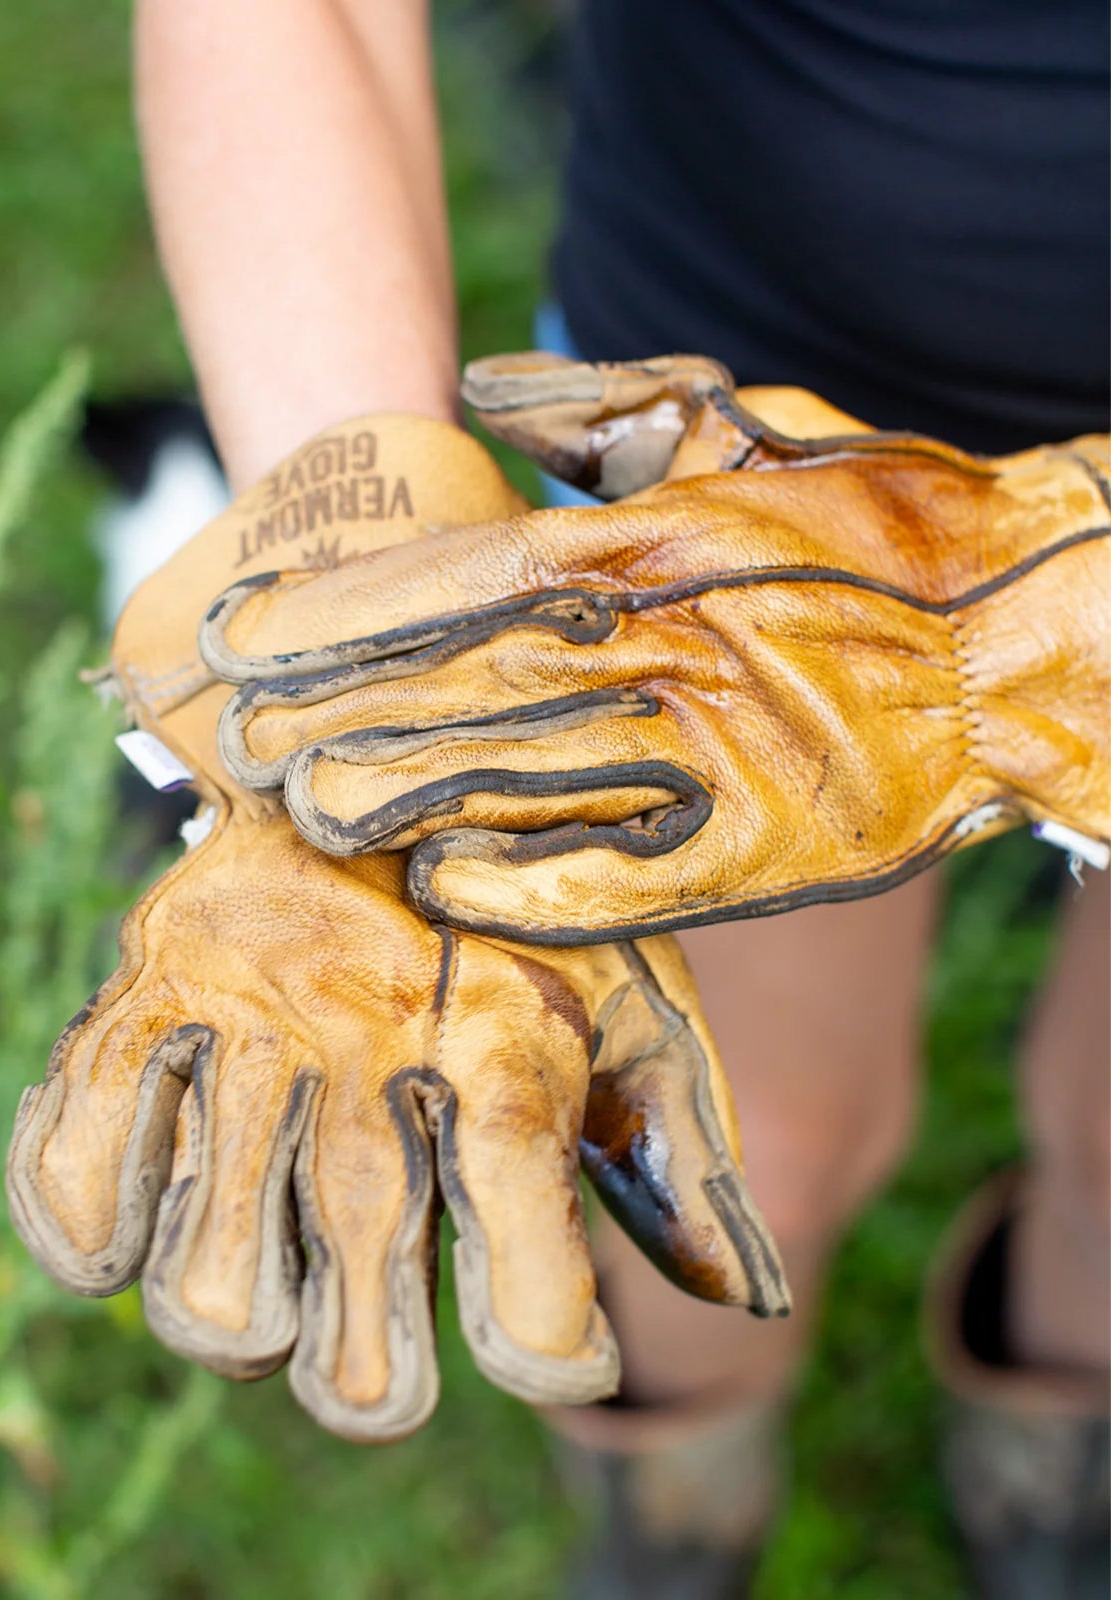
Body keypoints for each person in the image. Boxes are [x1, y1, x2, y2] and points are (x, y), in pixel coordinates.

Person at [130, 3, 1109, 1593]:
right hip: (722, 427)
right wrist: (365, 593)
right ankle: (680, 1500)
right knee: (746, 1141)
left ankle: (1057, 1458)